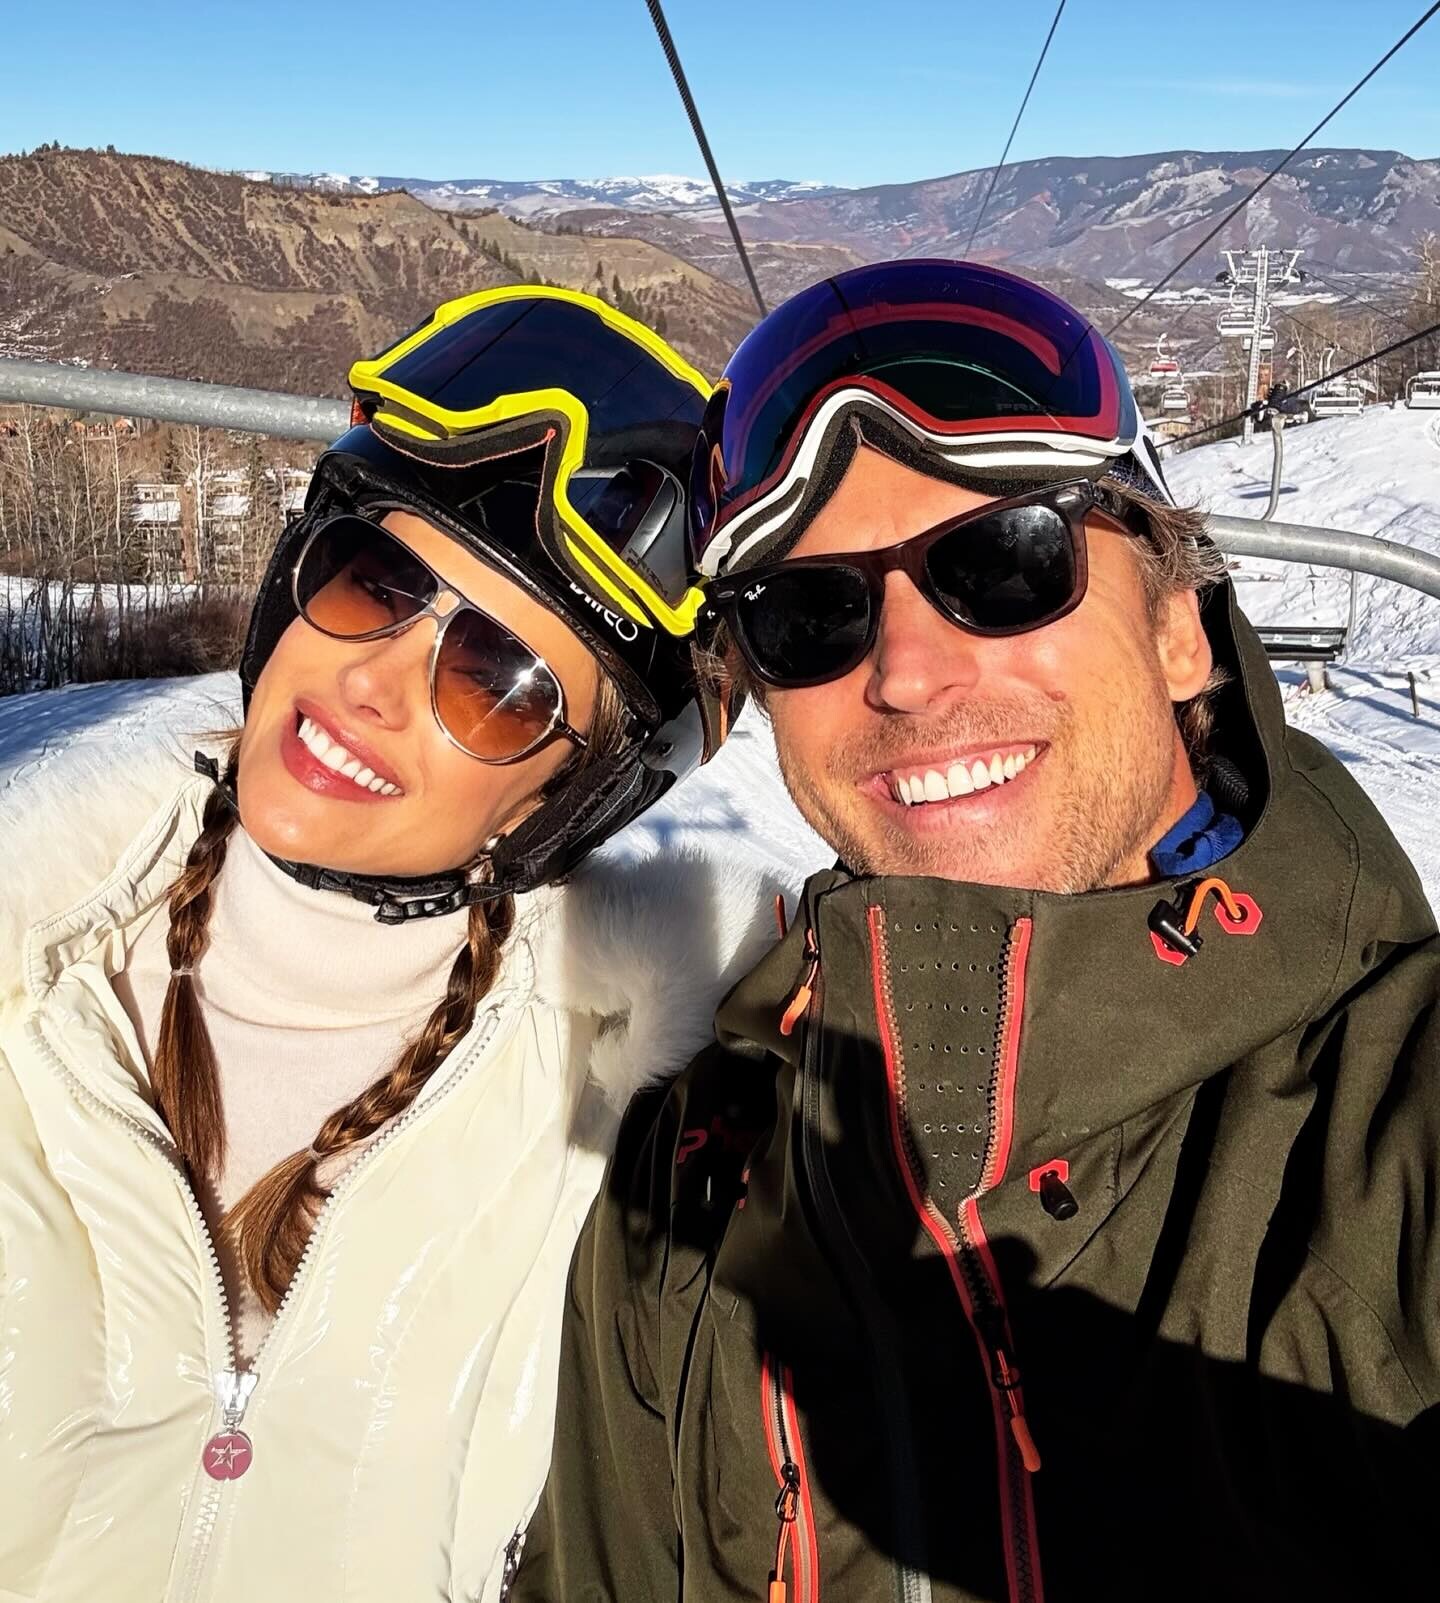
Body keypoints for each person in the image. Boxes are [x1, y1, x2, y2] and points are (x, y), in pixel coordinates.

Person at [514, 262, 1440, 1603]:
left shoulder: (1392, 1124)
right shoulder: (698, 1177)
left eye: (1005, 564)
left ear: (1180, 628)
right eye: (810, 613)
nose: (904, 671)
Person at [0, 287, 785, 1603]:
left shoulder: (618, 1145)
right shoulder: (28, 974)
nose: (370, 682)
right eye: (375, 580)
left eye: (497, 683)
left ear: (565, 804)